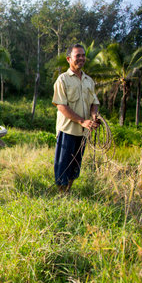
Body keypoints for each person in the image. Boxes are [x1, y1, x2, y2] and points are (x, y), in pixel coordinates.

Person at [52, 44, 100, 193]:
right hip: (67, 130)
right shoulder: (63, 80)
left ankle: (68, 191)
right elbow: (61, 106)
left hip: (83, 131)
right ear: (68, 59)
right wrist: (82, 121)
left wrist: (94, 116)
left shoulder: (89, 81)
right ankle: (61, 195)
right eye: (77, 55)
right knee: (63, 164)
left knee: (75, 164)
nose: (81, 58)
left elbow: (94, 103)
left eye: (83, 55)